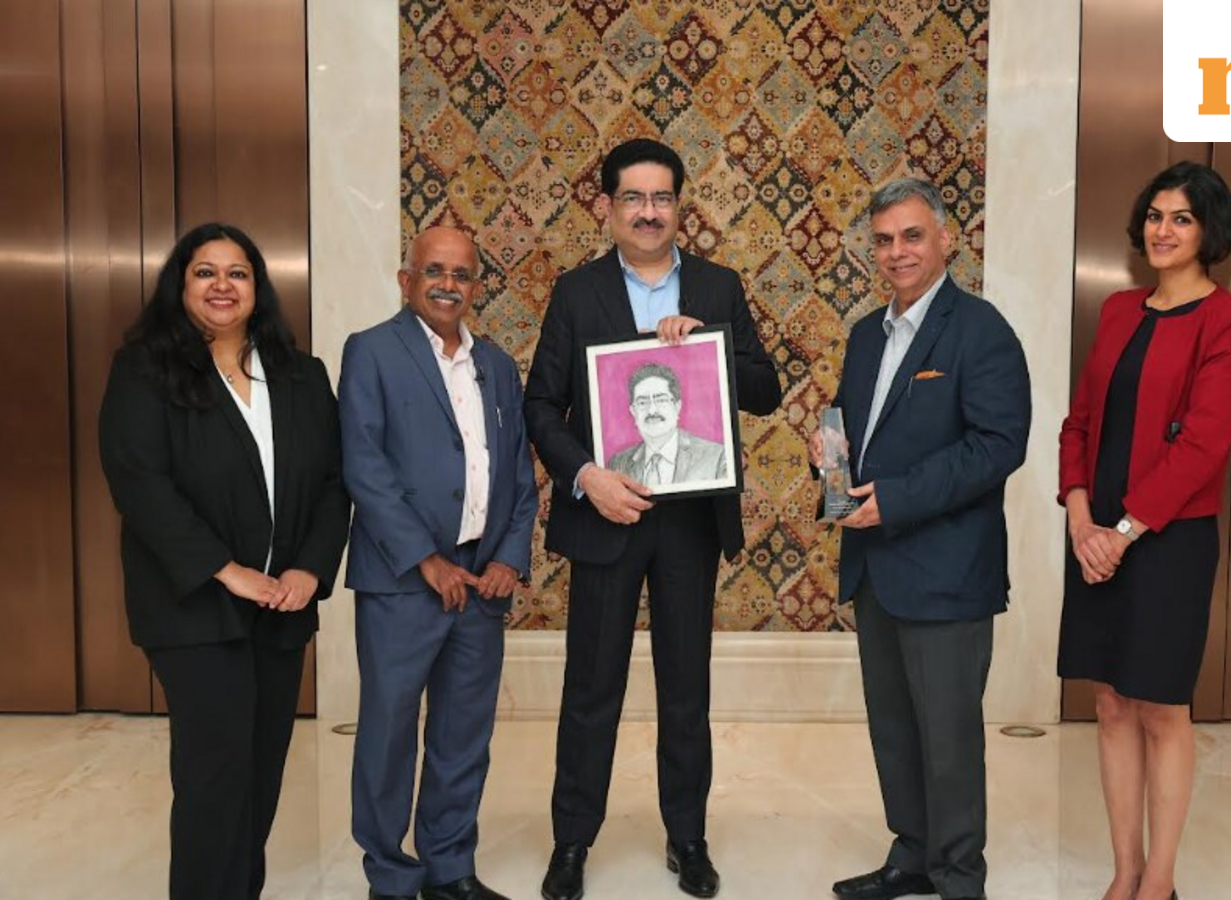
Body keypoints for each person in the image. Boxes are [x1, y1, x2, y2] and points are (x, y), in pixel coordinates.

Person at [524, 137, 782, 900]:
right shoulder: (575, 293)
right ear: (606, 207)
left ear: (679, 206)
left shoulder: (716, 285)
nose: (647, 211)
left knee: (685, 688)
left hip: (688, 521)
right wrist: (585, 477)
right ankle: (571, 843)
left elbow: (765, 390)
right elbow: (541, 404)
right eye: (632, 198)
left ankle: (688, 837)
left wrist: (711, 343)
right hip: (605, 513)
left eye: (661, 197)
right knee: (590, 687)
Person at [98, 222, 351, 900]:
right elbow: (139, 483)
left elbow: (333, 481)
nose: (221, 285)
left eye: (236, 273)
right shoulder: (145, 368)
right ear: (180, 285)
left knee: (261, 773)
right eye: (204, 272)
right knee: (215, 775)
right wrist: (225, 568)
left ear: (257, 287)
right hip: (193, 606)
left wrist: (309, 569)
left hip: (282, 605)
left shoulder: (301, 374)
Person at [810, 178, 1030, 900]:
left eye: (910, 236)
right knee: (896, 729)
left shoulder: (980, 330)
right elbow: (858, 425)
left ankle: (960, 877)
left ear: (944, 239)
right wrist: (829, 450)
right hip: (875, 567)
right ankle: (912, 853)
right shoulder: (865, 335)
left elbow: (997, 446)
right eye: (882, 240)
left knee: (948, 738)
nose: (895, 252)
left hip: (945, 569)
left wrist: (895, 501)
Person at [1056, 161, 1231, 900]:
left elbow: (1203, 445)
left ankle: (1159, 881)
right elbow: (1078, 421)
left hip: (1168, 538)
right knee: (1110, 701)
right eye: (1153, 215)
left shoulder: (1229, 321)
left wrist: (1123, 530)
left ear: (1209, 232)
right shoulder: (1116, 310)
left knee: (1161, 705)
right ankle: (1124, 872)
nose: (1161, 230)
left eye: (1180, 218)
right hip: (1093, 533)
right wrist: (1080, 514)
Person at [339, 226, 538, 900]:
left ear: (477, 285)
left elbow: (519, 472)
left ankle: (449, 869)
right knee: (390, 733)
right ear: (406, 279)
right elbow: (363, 466)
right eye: (434, 271)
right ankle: (391, 877)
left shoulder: (500, 366)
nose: (448, 284)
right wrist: (426, 559)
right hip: (403, 580)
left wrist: (510, 557)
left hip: (482, 582)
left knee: (462, 735)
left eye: (462, 274)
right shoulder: (371, 352)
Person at [606, 362, 730, 486]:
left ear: (677, 406)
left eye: (661, 400)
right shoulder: (618, 464)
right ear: (633, 411)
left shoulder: (716, 457)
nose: (652, 411)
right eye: (642, 403)